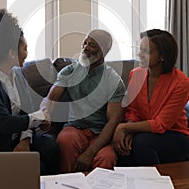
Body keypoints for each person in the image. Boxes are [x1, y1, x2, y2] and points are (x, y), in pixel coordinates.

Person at [0, 9, 60, 175]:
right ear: (12, 53)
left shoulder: (19, 75)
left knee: (51, 146)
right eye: (25, 48)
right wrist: (39, 116)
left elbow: (26, 110)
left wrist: (25, 139)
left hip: (16, 139)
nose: (27, 54)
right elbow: (4, 122)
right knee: (36, 168)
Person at [40, 29, 125, 173]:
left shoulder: (114, 81)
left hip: (100, 134)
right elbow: (52, 97)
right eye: (85, 42)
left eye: (92, 44)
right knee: (65, 141)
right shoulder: (69, 71)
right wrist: (45, 113)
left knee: (107, 157)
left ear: (103, 51)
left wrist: (90, 152)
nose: (86, 47)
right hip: (75, 129)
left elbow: (113, 122)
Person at [113, 29, 189, 166]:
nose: (139, 55)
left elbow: (161, 124)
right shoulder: (135, 74)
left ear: (162, 56)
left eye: (146, 51)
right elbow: (133, 111)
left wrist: (124, 127)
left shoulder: (181, 82)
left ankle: (156, 185)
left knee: (143, 142)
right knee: (123, 145)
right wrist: (128, 129)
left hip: (175, 136)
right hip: (144, 131)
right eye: (140, 50)